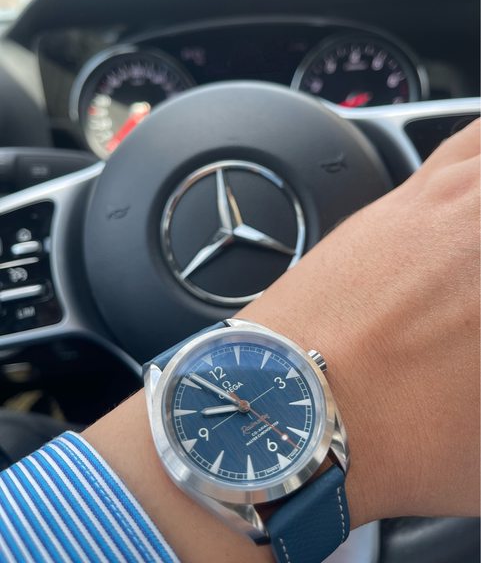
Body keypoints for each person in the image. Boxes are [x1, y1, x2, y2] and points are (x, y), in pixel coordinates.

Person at [0, 119, 479, 562]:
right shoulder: (245, 505)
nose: (243, 405)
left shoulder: (293, 412)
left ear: (312, 362)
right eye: (239, 403)